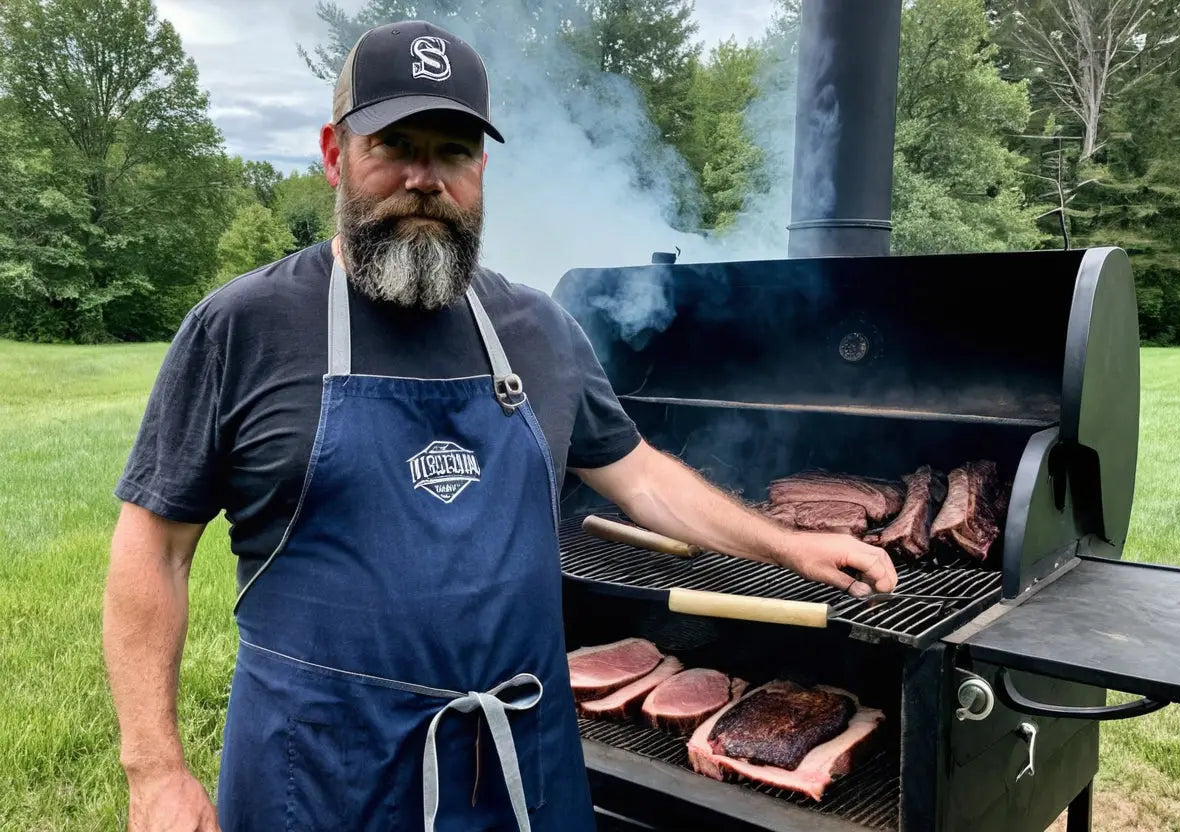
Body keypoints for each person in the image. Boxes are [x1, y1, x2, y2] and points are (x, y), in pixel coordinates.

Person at [101, 18, 898, 832]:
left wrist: (788, 544)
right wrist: (155, 768)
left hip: (517, 764)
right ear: (336, 154)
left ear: (480, 167)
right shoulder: (244, 327)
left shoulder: (539, 332)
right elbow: (153, 548)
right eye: (394, 145)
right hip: (322, 774)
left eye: (452, 151)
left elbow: (644, 477)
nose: (425, 177)